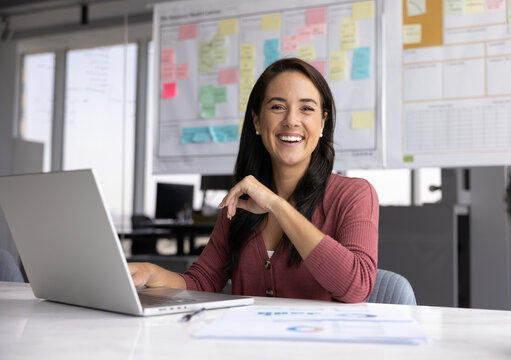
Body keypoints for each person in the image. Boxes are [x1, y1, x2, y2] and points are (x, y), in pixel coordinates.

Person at [129, 58, 379, 303]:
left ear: (323, 121)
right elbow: (202, 282)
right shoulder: (242, 202)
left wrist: (277, 206)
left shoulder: (354, 195)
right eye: (277, 107)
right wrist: (152, 273)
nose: (291, 120)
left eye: (307, 108)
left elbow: (357, 286)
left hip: (320, 343)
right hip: (246, 344)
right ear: (257, 120)